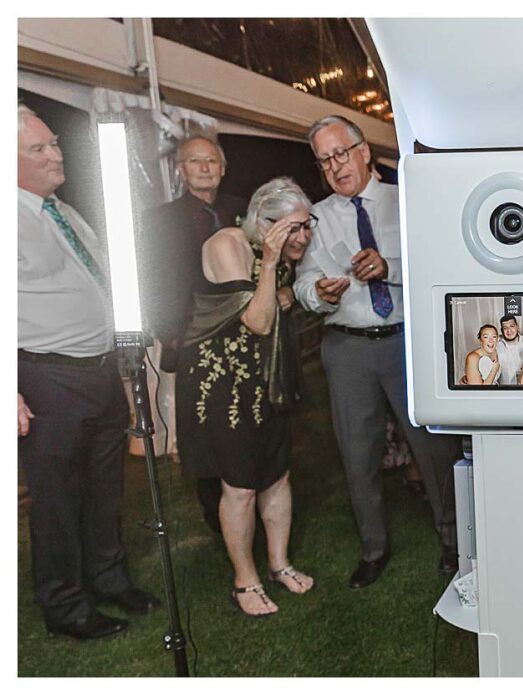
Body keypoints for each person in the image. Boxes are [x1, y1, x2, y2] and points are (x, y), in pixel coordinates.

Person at [293, 115, 460, 588]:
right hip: (348, 346)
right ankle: (373, 547)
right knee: (356, 452)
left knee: (432, 446)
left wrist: (390, 266)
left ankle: (451, 538)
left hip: (408, 339)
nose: (335, 166)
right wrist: (315, 294)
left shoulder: (406, 201)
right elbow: (304, 280)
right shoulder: (317, 216)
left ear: (364, 151)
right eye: (324, 160)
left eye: (341, 153)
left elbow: (439, 262)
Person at [18, 104, 158, 640]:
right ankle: (65, 606)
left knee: (105, 487)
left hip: (99, 374)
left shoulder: (63, 211)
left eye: (54, 143)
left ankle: (109, 579)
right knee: (56, 500)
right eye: (39, 149)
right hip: (46, 379)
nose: (56, 154)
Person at [175, 177, 315, 616]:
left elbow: (279, 302)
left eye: (307, 226)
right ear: (262, 221)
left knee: (277, 474)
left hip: (263, 380)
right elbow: (257, 320)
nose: (303, 237)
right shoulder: (228, 243)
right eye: (293, 227)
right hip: (223, 387)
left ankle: (279, 564)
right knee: (240, 487)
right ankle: (245, 581)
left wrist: (286, 285)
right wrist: (273, 266)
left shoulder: (275, 252)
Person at [142, 134, 247, 534]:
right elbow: (150, 282)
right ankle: (215, 516)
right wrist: (170, 333)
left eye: (211, 161)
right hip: (193, 344)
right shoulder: (159, 221)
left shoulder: (242, 210)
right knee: (204, 430)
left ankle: (249, 501)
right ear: (181, 170)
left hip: (244, 339)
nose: (204, 167)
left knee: (247, 424)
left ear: (222, 168)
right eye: (194, 161)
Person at [496, 314, 523, 385]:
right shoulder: (497, 346)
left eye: (512, 326)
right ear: (501, 330)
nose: (509, 331)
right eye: (505, 328)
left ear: (517, 327)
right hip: (505, 391)